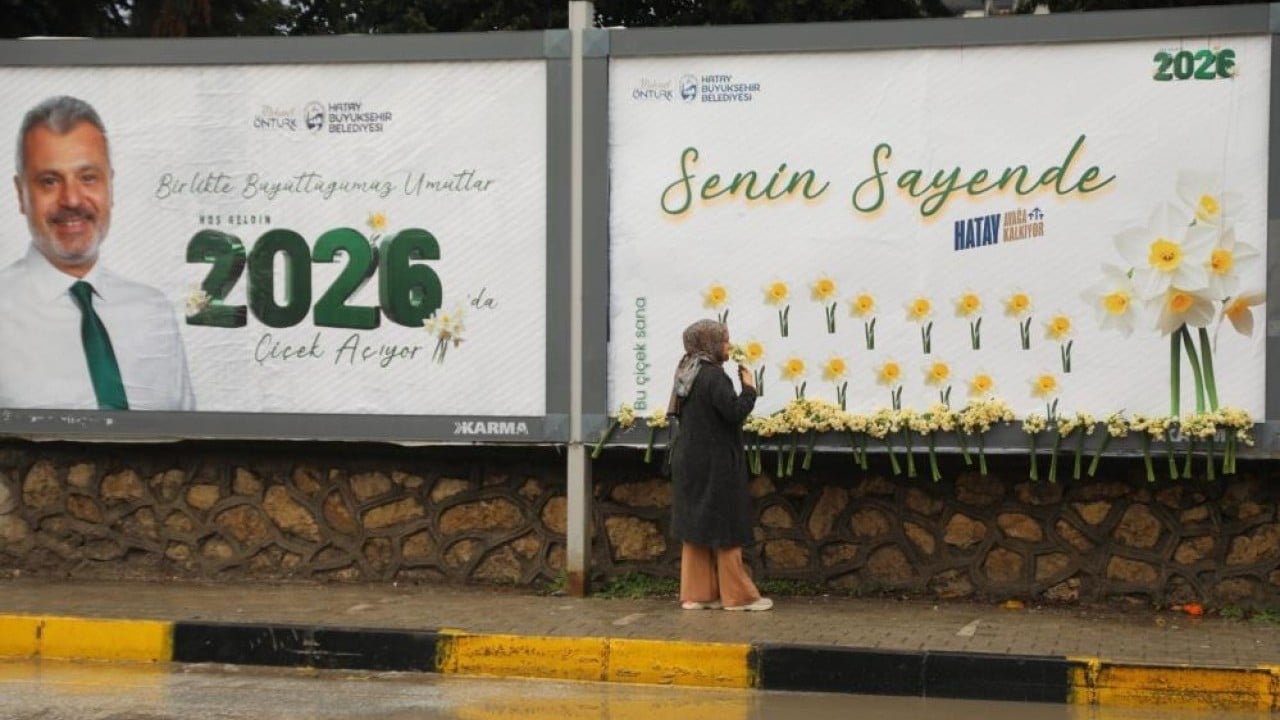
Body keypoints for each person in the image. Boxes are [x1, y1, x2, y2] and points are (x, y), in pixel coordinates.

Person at [0, 95, 195, 411]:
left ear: (110, 186)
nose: (73, 199)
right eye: (50, 181)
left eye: (88, 177)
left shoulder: (154, 311)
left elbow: (188, 445)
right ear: (20, 194)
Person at [667, 319, 771, 612]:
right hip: (716, 463)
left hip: (690, 461)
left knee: (696, 525)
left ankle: (697, 595)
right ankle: (738, 597)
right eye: (724, 340)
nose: (728, 346)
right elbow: (734, 413)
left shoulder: (686, 371)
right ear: (711, 343)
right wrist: (749, 388)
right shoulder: (714, 377)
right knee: (727, 524)